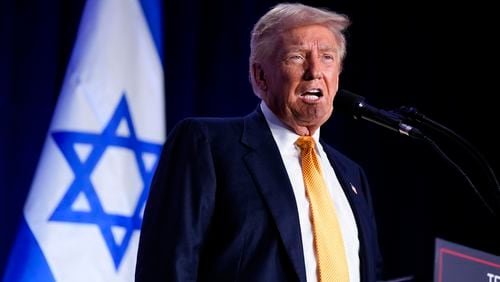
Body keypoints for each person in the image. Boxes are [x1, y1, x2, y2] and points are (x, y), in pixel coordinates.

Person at [135, 3, 382, 282]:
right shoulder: (207, 144)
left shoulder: (352, 176)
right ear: (260, 76)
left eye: (327, 57)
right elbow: (167, 269)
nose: (315, 71)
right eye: (297, 57)